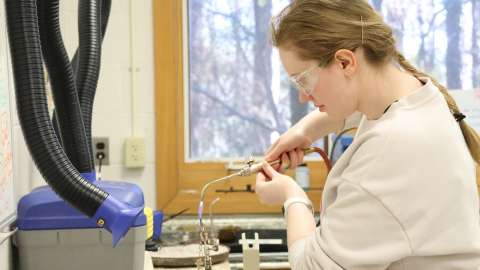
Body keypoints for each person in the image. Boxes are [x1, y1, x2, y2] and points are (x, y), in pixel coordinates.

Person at [254, 0, 480, 269]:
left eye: (303, 80)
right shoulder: (417, 96)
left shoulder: (392, 149)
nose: (303, 96)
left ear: (345, 62)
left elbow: (311, 266)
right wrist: (304, 130)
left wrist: (291, 196)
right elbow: (358, 109)